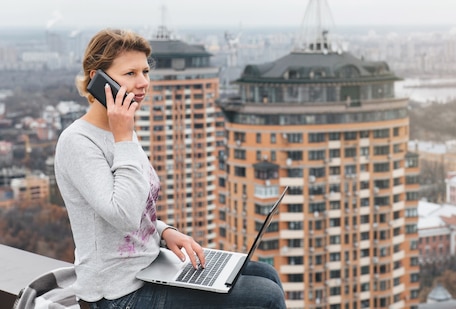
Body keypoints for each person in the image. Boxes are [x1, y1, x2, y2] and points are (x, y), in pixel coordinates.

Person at [54, 28, 286, 309]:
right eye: (130, 74)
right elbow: (123, 215)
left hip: (149, 267)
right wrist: (124, 138)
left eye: (145, 72)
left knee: (268, 275)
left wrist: (164, 231)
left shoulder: (121, 129)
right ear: (96, 79)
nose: (143, 83)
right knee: (267, 297)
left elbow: (135, 206)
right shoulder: (79, 142)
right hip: (116, 294)